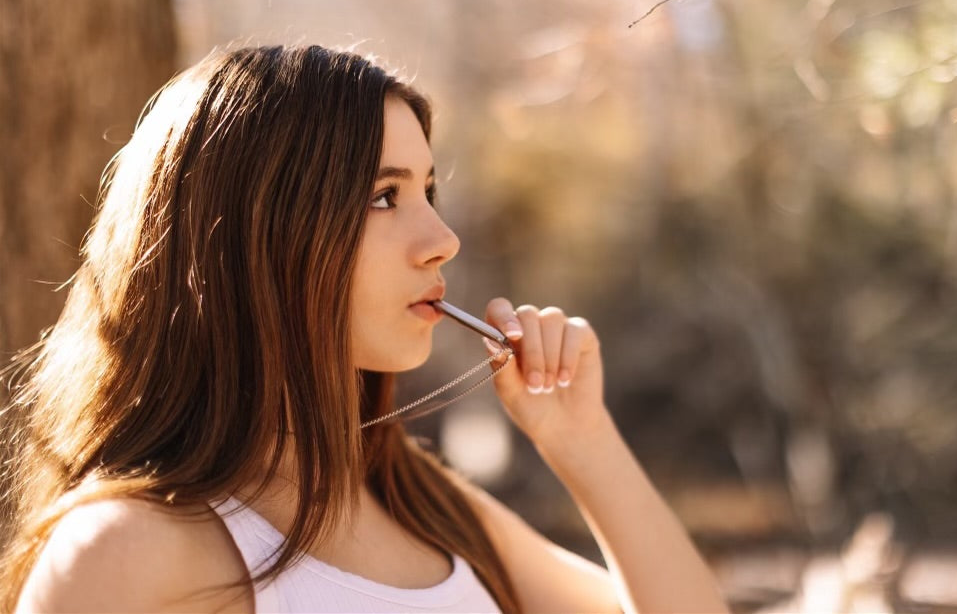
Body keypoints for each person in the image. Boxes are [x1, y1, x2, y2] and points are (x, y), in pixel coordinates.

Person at [0, 45, 729, 613]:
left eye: (428, 191)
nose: (442, 239)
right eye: (384, 196)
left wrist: (583, 441)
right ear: (254, 236)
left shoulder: (417, 501)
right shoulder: (126, 553)